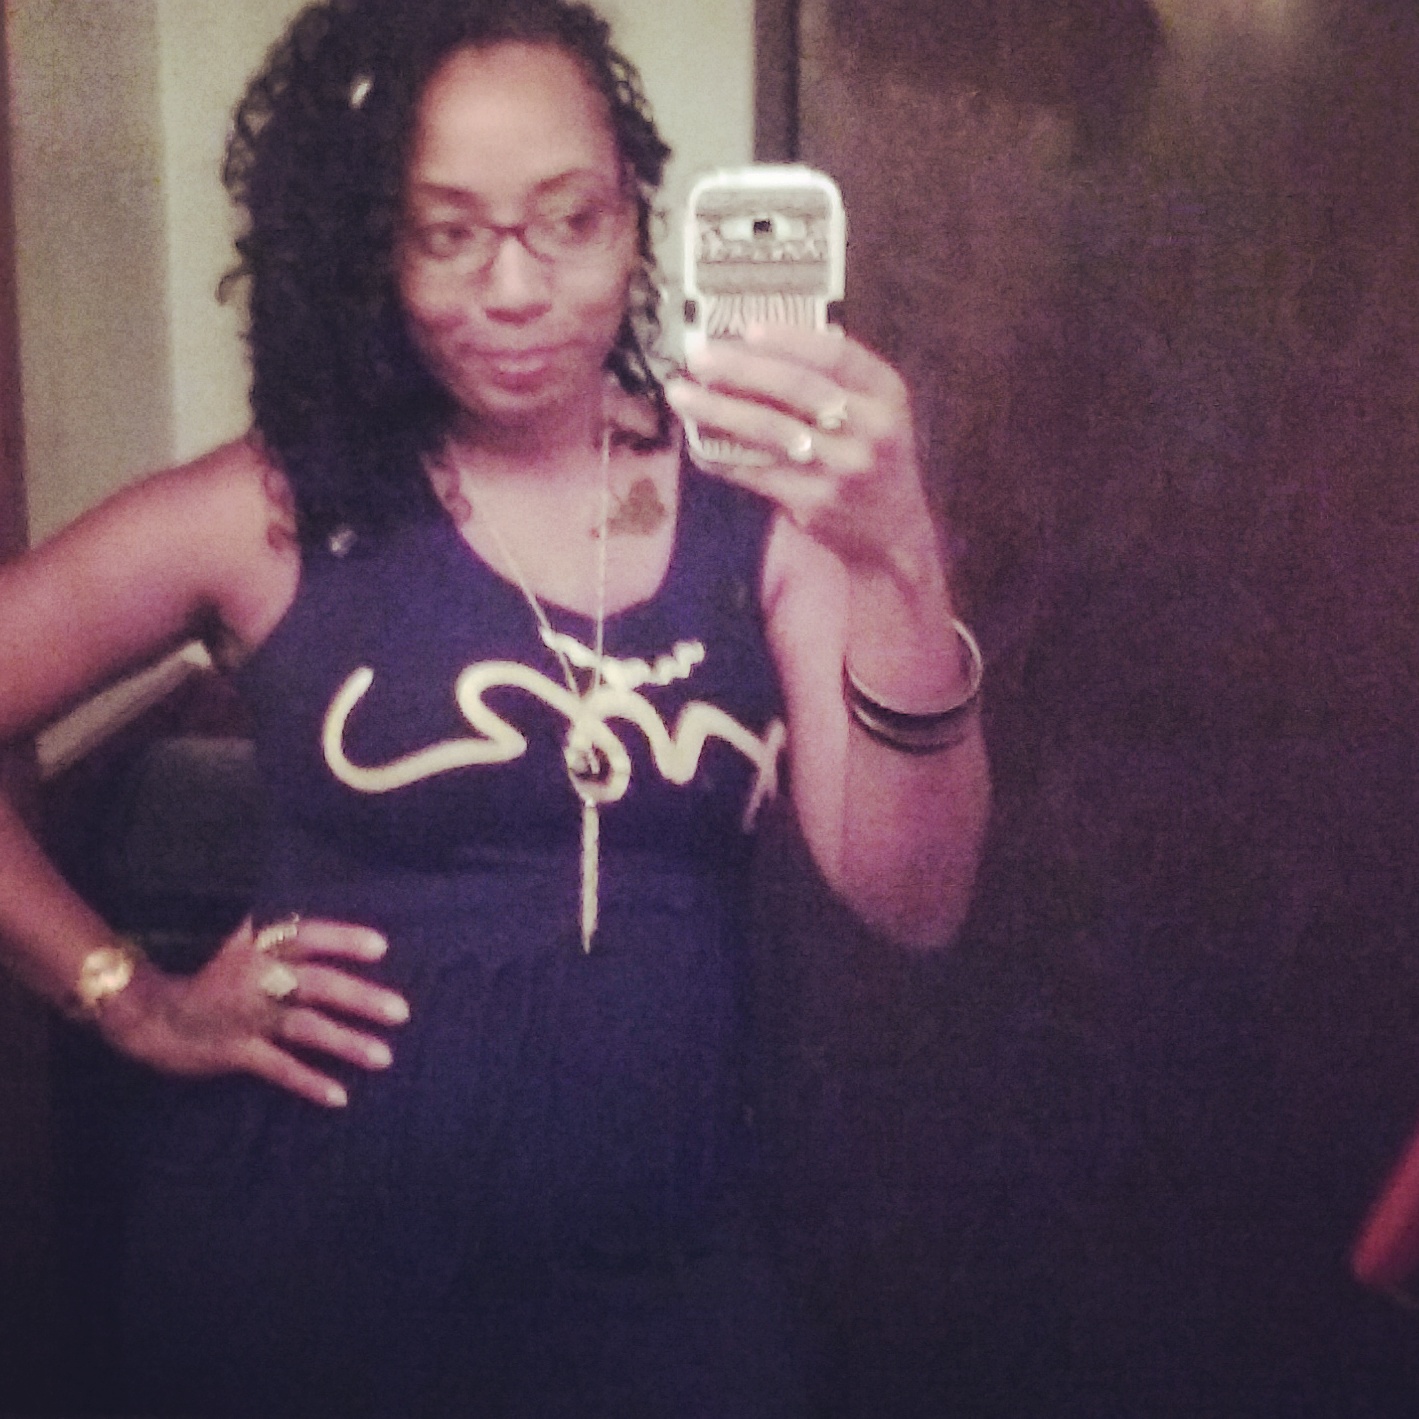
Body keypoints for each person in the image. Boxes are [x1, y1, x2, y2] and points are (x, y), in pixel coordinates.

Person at [0, 0, 990, 1413]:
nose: (515, 288)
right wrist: (129, 1000)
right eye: (445, 232)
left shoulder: (760, 514)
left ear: (636, 222)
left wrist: (899, 556)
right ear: (371, 248)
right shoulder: (269, 510)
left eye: (569, 221)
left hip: (661, 1297)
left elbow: (916, 896)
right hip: (298, 1290)